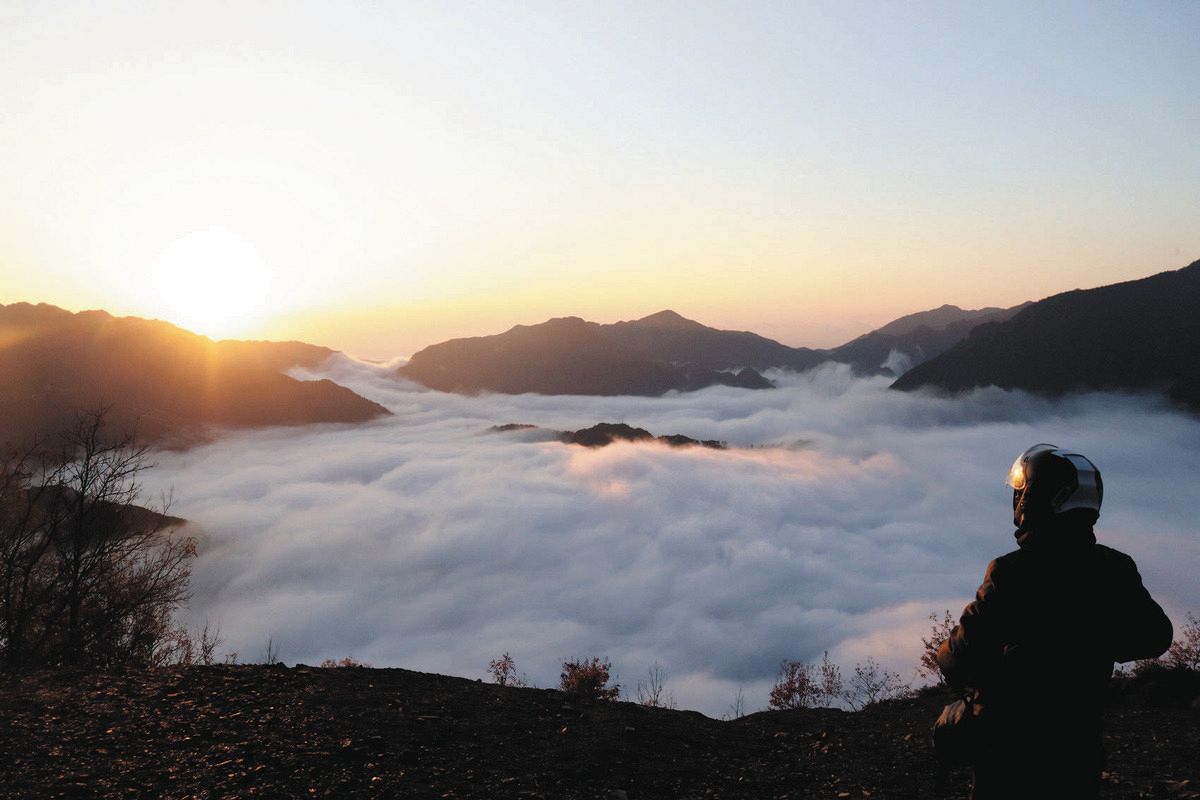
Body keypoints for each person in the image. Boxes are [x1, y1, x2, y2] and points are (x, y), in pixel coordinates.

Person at [936, 443, 1173, 799]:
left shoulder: (1011, 573)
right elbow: (1156, 637)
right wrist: (1093, 645)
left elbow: (958, 657)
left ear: (1038, 498)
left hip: (1007, 745)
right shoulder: (1114, 568)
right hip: (1079, 742)